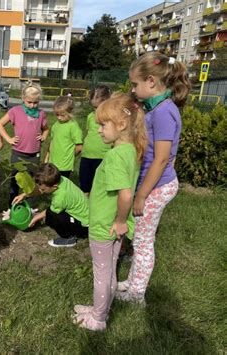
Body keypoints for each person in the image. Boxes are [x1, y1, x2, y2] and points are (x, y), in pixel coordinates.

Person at [116, 53, 191, 304]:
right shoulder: (156, 107)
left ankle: (137, 294)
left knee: (144, 242)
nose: (133, 90)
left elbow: (161, 159)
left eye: (135, 85)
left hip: (156, 187)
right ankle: (134, 280)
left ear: (150, 81)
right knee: (140, 239)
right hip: (153, 184)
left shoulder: (163, 112)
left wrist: (141, 194)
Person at [73, 93, 147, 331]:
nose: (99, 130)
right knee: (110, 270)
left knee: (102, 275)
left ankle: (98, 319)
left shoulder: (116, 156)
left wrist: (120, 221)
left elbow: (125, 195)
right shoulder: (130, 151)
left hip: (106, 225)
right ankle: (100, 309)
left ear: (122, 125)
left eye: (104, 125)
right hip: (113, 225)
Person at [0, 81, 49, 205]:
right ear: (23, 98)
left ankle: (30, 205)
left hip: (34, 155)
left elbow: (46, 129)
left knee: (32, 181)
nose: (32, 105)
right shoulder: (15, 111)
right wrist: (9, 139)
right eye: (29, 102)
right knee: (15, 180)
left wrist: (44, 136)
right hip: (18, 153)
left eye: (35, 102)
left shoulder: (41, 114)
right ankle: (12, 204)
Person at [13, 163, 88, 248]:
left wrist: (35, 218)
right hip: (85, 216)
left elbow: (50, 211)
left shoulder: (60, 197)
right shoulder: (61, 180)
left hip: (83, 226)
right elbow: (40, 189)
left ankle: (69, 238)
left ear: (54, 186)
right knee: (51, 213)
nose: (41, 190)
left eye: (43, 189)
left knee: (51, 216)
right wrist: (24, 195)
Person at [79, 85, 112, 196]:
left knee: (98, 186)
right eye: (94, 107)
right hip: (87, 155)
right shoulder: (90, 116)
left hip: (102, 156)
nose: (96, 110)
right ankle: (84, 208)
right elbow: (89, 132)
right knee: (84, 184)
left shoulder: (111, 117)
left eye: (98, 107)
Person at [44, 96, 82, 179]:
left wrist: (70, 156)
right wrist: (47, 157)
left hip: (64, 165)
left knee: (62, 185)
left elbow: (79, 147)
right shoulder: (55, 125)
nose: (59, 117)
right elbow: (52, 142)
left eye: (62, 115)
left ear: (70, 113)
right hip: (53, 162)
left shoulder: (73, 126)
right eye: (57, 114)